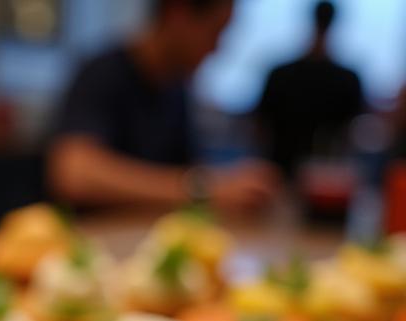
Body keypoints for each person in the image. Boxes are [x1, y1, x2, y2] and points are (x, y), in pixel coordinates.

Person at [46, 0, 279, 214]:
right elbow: (74, 174)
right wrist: (203, 190)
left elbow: (186, 169)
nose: (216, 48)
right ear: (178, 14)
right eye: (215, 32)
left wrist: (229, 182)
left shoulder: (176, 88)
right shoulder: (102, 73)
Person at [255, 1, 363, 180]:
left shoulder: (280, 74)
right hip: (328, 179)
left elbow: (259, 128)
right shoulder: (348, 79)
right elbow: (352, 135)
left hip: (282, 175)